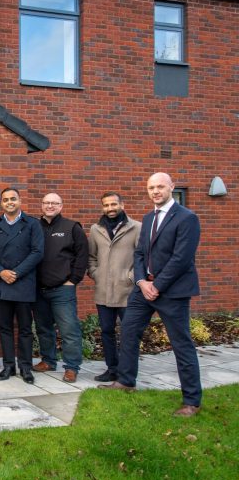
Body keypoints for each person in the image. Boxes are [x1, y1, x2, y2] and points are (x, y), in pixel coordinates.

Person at [100, 173, 202, 417]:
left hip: (173, 292)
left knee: (181, 343)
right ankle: (126, 381)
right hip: (143, 289)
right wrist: (141, 281)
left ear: (171, 188)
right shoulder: (148, 218)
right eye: (151, 188)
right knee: (128, 331)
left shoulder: (187, 218)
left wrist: (158, 285)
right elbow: (139, 254)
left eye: (160, 187)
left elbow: (182, 258)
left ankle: (191, 400)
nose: (155, 191)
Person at [0, 187, 44, 384]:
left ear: (20, 201)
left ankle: (26, 367)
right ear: (1, 203)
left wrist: (16, 273)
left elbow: (37, 252)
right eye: (6, 199)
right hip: (2, 284)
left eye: (13, 199)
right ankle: (9, 366)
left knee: (25, 328)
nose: (9, 202)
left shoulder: (32, 224)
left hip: (23, 283)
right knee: (5, 328)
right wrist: (1, 272)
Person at [32, 193, 89, 383]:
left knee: (69, 330)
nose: (50, 206)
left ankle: (72, 367)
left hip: (62, 289)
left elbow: (82, 256)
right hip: (38, 289)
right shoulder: (34, 226)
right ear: (41, 205)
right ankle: (48, 360)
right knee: (43, 328)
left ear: (61, 206)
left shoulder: (72, 227)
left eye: (54, 203)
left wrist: (73, 279)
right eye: (46, 202)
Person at [87, 192, 141, 382]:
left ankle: (127, 373)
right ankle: (112, 369)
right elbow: (91, 257)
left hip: (127, 291)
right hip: (103, 291)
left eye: (113, 204)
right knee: (107, 331)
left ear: (122, 205)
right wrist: (96, 273)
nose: (110, 208)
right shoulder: (95, 229)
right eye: (106, 205)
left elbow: (142, 257)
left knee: (129, 334)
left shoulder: (136, 228)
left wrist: (131, 277)